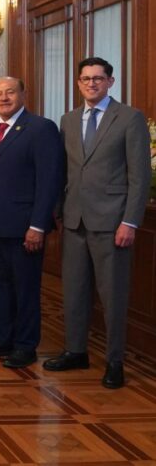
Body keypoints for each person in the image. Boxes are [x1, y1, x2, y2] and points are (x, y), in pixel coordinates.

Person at [44, 57, 150, 389]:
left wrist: (130, 222)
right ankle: (76, 351)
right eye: (86, 79)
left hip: (112, 222)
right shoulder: (69, 119)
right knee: (74, 291)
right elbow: (63, 170)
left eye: (98, 79)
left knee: (113, 295)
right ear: (78, 83)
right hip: (74, 220)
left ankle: (114, 360)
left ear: (110, 82)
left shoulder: (129, 119)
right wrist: (60, 212)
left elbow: (140, 176)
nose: (92, 84)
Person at [0, 77, 62, 368]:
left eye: (10, 92)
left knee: (25, 289)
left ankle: (25, 346)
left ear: (23, 94)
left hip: (24, 227)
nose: (4, 98)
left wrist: (37, 225)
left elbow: (49, 181)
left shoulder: (41, 128)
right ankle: (1, 340)